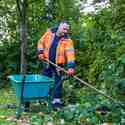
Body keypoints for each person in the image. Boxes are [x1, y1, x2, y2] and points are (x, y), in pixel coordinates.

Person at [37, 21, 76, 108]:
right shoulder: (49, 33)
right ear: (59, 27)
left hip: (58, 65)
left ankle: (56, 101)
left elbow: (70, 54)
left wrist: (71, 67)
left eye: (67, 29)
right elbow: (40, 42)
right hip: (47, 62)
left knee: (58, 82)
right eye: (64, 28)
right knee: (44, 81)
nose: (65, 31)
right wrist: (40, 52)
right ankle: (43, 99)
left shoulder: (68, 41)